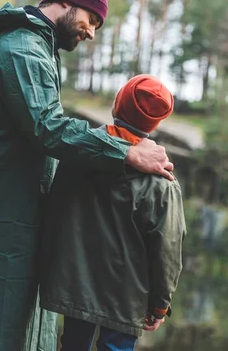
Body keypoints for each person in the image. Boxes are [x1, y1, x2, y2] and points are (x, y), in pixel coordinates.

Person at [0, 0, 174, 351]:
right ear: (65, 3)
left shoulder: (38, 47)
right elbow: (47, 126)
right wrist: (126, 151)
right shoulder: (22, 50)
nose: (91, 32)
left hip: (11, 223)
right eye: (91, 19)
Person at [39, 75, 187, 351]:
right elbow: (168, 246)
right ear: (156, 123)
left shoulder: (78, 152)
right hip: (126, 296)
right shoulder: (161, 180)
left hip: (74, 284)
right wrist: (160, 304)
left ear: (117, 106)